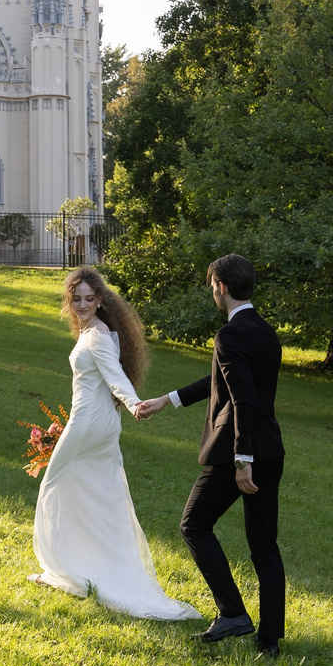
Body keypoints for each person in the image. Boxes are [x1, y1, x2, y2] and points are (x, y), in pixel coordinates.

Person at [28, 266, 204, 621]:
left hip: (88, 424)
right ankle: (81, 567)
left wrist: (134, 403)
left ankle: (65, 570)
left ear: (100, 300)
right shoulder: (97, 330)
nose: (82, 305)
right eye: (76, 299)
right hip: (101, 422)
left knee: (54, 487)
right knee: (98, 493)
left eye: (89, 299)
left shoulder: (96, 335)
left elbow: (115, 376)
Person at [130, 254, 285, 655]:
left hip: (238, 452)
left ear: (222, 287)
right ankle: (269, 641)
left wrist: (242, 460)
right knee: (264, 544)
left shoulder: (229, 335)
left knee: (194, 524)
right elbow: (221, 379)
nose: (212, 292)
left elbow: (243, 399)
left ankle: (232, 613)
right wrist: (167, 400)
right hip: (271, 449)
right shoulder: (266, 332)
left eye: (212, 285)